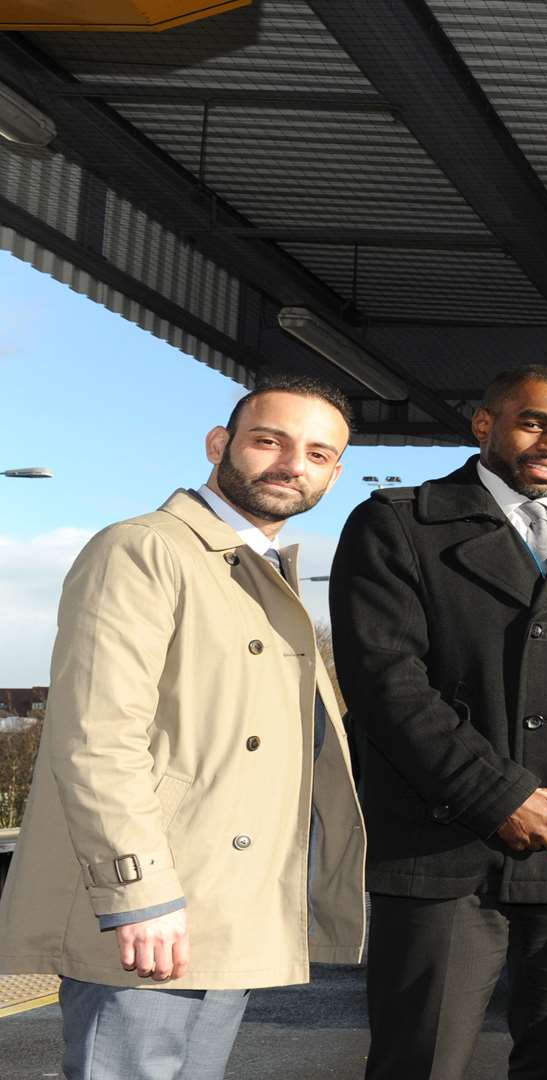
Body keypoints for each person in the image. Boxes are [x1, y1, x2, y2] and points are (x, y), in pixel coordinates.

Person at [0, 376, 366, 1079]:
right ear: (219, 444)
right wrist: (139, 893)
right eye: (270, 441)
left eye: (319, 454)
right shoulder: (143, 549)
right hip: (155, 904)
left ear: (335, 472)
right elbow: (96, 738)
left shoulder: (255, 570)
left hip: (227, 900)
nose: (294, 464)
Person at [329, 364, 547, 1080]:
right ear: (484, 425)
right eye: (534, 422)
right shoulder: (397, 525)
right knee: (419, 1064)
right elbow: (389, 685)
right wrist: (498, 797)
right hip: (446, 845)